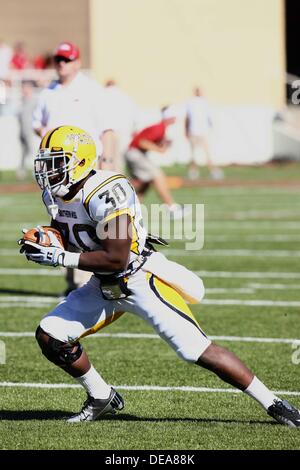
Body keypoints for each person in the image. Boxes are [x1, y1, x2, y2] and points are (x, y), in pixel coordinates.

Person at [18, 125, 300, 426]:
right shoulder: (59, 194)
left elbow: (117, 257)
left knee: (196, 350)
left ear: (81, 162)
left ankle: (274, 403)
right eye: (46, 163)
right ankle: (101, 396)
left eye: (57, 163)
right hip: (103, 284)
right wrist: (46, 240)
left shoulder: (105, 191)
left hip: (137, 277)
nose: (48, 171)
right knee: (51, 335)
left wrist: (61, 257)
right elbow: (65, 232)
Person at [32, 41, 116, 294]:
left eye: (66, 59)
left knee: (97, 222)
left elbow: (107, 129)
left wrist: (108, 162)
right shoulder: (48, 93)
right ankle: (75, 284)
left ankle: (107, 276)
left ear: (77, 62)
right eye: (58, 59)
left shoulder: (92, 90)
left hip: (88, 164)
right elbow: (38, 124)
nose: (61, 63)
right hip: (59, 168)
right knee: (65, 220)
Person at [125, 113, 186, 218]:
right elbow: (142, 142)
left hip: (134, 153)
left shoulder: (160, 128)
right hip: (135, 154)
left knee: (144, 183)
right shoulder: (159, 128)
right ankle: (171, 208)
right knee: (157, 174)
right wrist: (159, 149)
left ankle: (131, 209)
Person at [185, 86, 223, 180]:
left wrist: (211, 127)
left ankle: (212, 171)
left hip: (203, 131)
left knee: (206, 153)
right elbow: (188, 117)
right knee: (193, 153)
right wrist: (186, 130)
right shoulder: (191, 102)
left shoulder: (204, 102)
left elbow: (208, 117)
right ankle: (193, 172)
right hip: (194, 130)